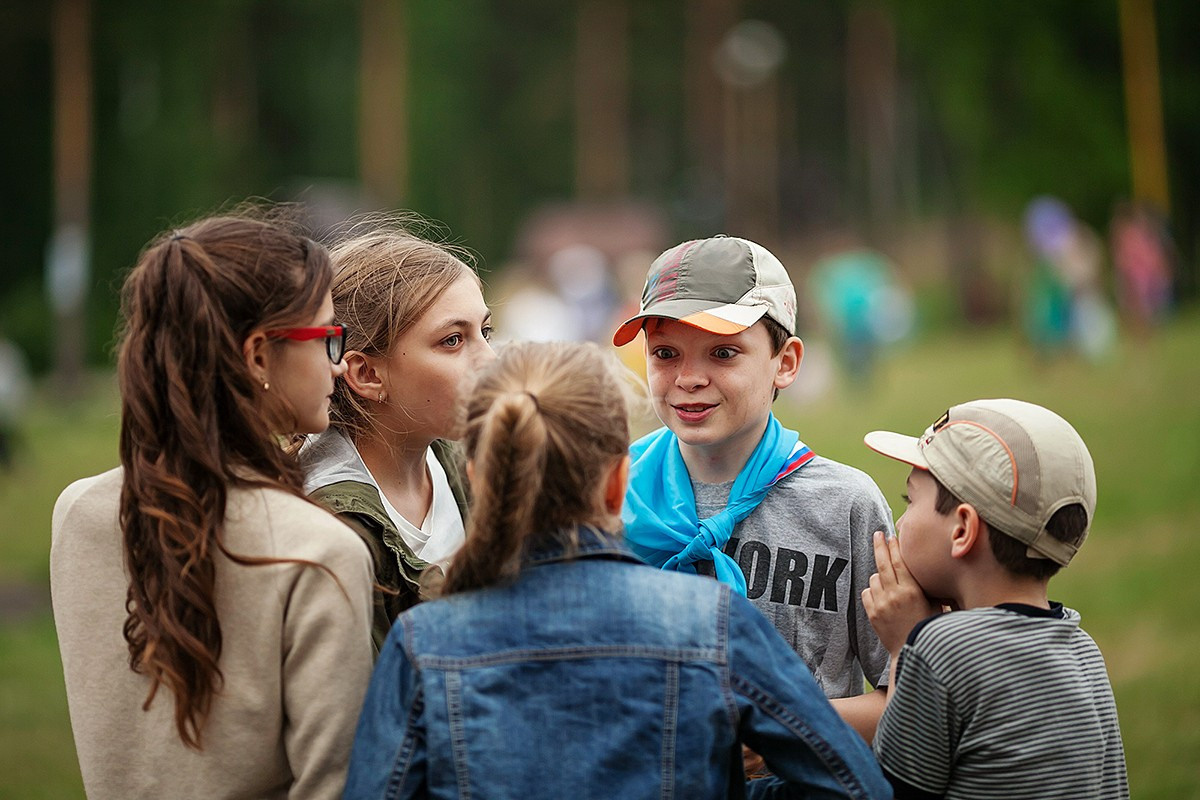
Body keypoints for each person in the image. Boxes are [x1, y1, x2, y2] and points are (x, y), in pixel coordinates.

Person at [342, 341, 892, 800]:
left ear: (481, 479)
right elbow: (854, 783)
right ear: (617, 482)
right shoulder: (711, 623)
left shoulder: (423, 643)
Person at [50, 215, 375, 800]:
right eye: (326, 336)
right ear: (256, 355)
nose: (337, 363)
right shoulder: (319, 554)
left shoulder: (79, 513)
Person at [612, 235, 894, 739]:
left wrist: (785, 730)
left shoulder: (845, 504)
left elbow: (908, 696)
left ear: (784, 362)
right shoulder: (608, 493)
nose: (689, 377)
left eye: (723, 353)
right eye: (665, 353)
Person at [861, 399, 1129, 798]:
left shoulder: (938, 647)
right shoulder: (1085, 652)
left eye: (910, 502)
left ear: (962, 530)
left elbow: (888, 791)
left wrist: (903, 646)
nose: (898, 524)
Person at [300, 225, 494, 650]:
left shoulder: (463, 464)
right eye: (453, 340)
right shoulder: (333, 524)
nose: (491, 360)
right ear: (366, 374)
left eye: (486, 331)